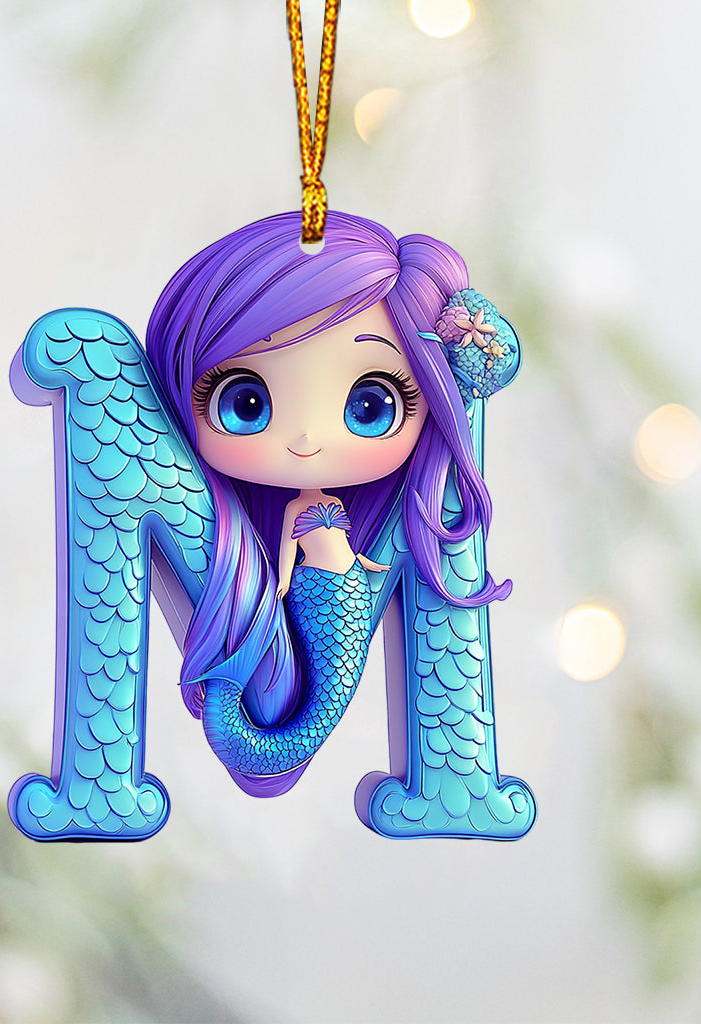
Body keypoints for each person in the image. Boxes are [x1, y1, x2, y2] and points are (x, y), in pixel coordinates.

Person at [145, 210, 514, 795]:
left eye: (371, 407)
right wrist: (278, 586)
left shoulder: (368, 511)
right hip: (314, 594)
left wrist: (363, 567)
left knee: (331, 683)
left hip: (347, 591)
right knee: (320, 684)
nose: (306, 440)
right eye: (245, 402)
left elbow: (343, 547)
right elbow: (287, 552)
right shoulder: (275, 520)